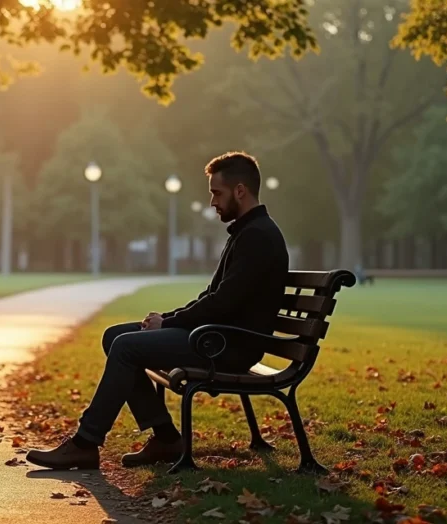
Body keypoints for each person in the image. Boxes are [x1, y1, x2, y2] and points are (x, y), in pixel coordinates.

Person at [26, 151, 289, 470]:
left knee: (126, 347)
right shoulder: (248, 232)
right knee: (116, 336)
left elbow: (222, 304)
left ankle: (86, 442)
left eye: (216, 193)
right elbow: (214, 297)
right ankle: (166, 438)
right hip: (217, 336)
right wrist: (169, 321)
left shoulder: (258, 237)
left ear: (240, 191)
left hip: (229, 346)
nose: (212, 202)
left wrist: (169, 322)